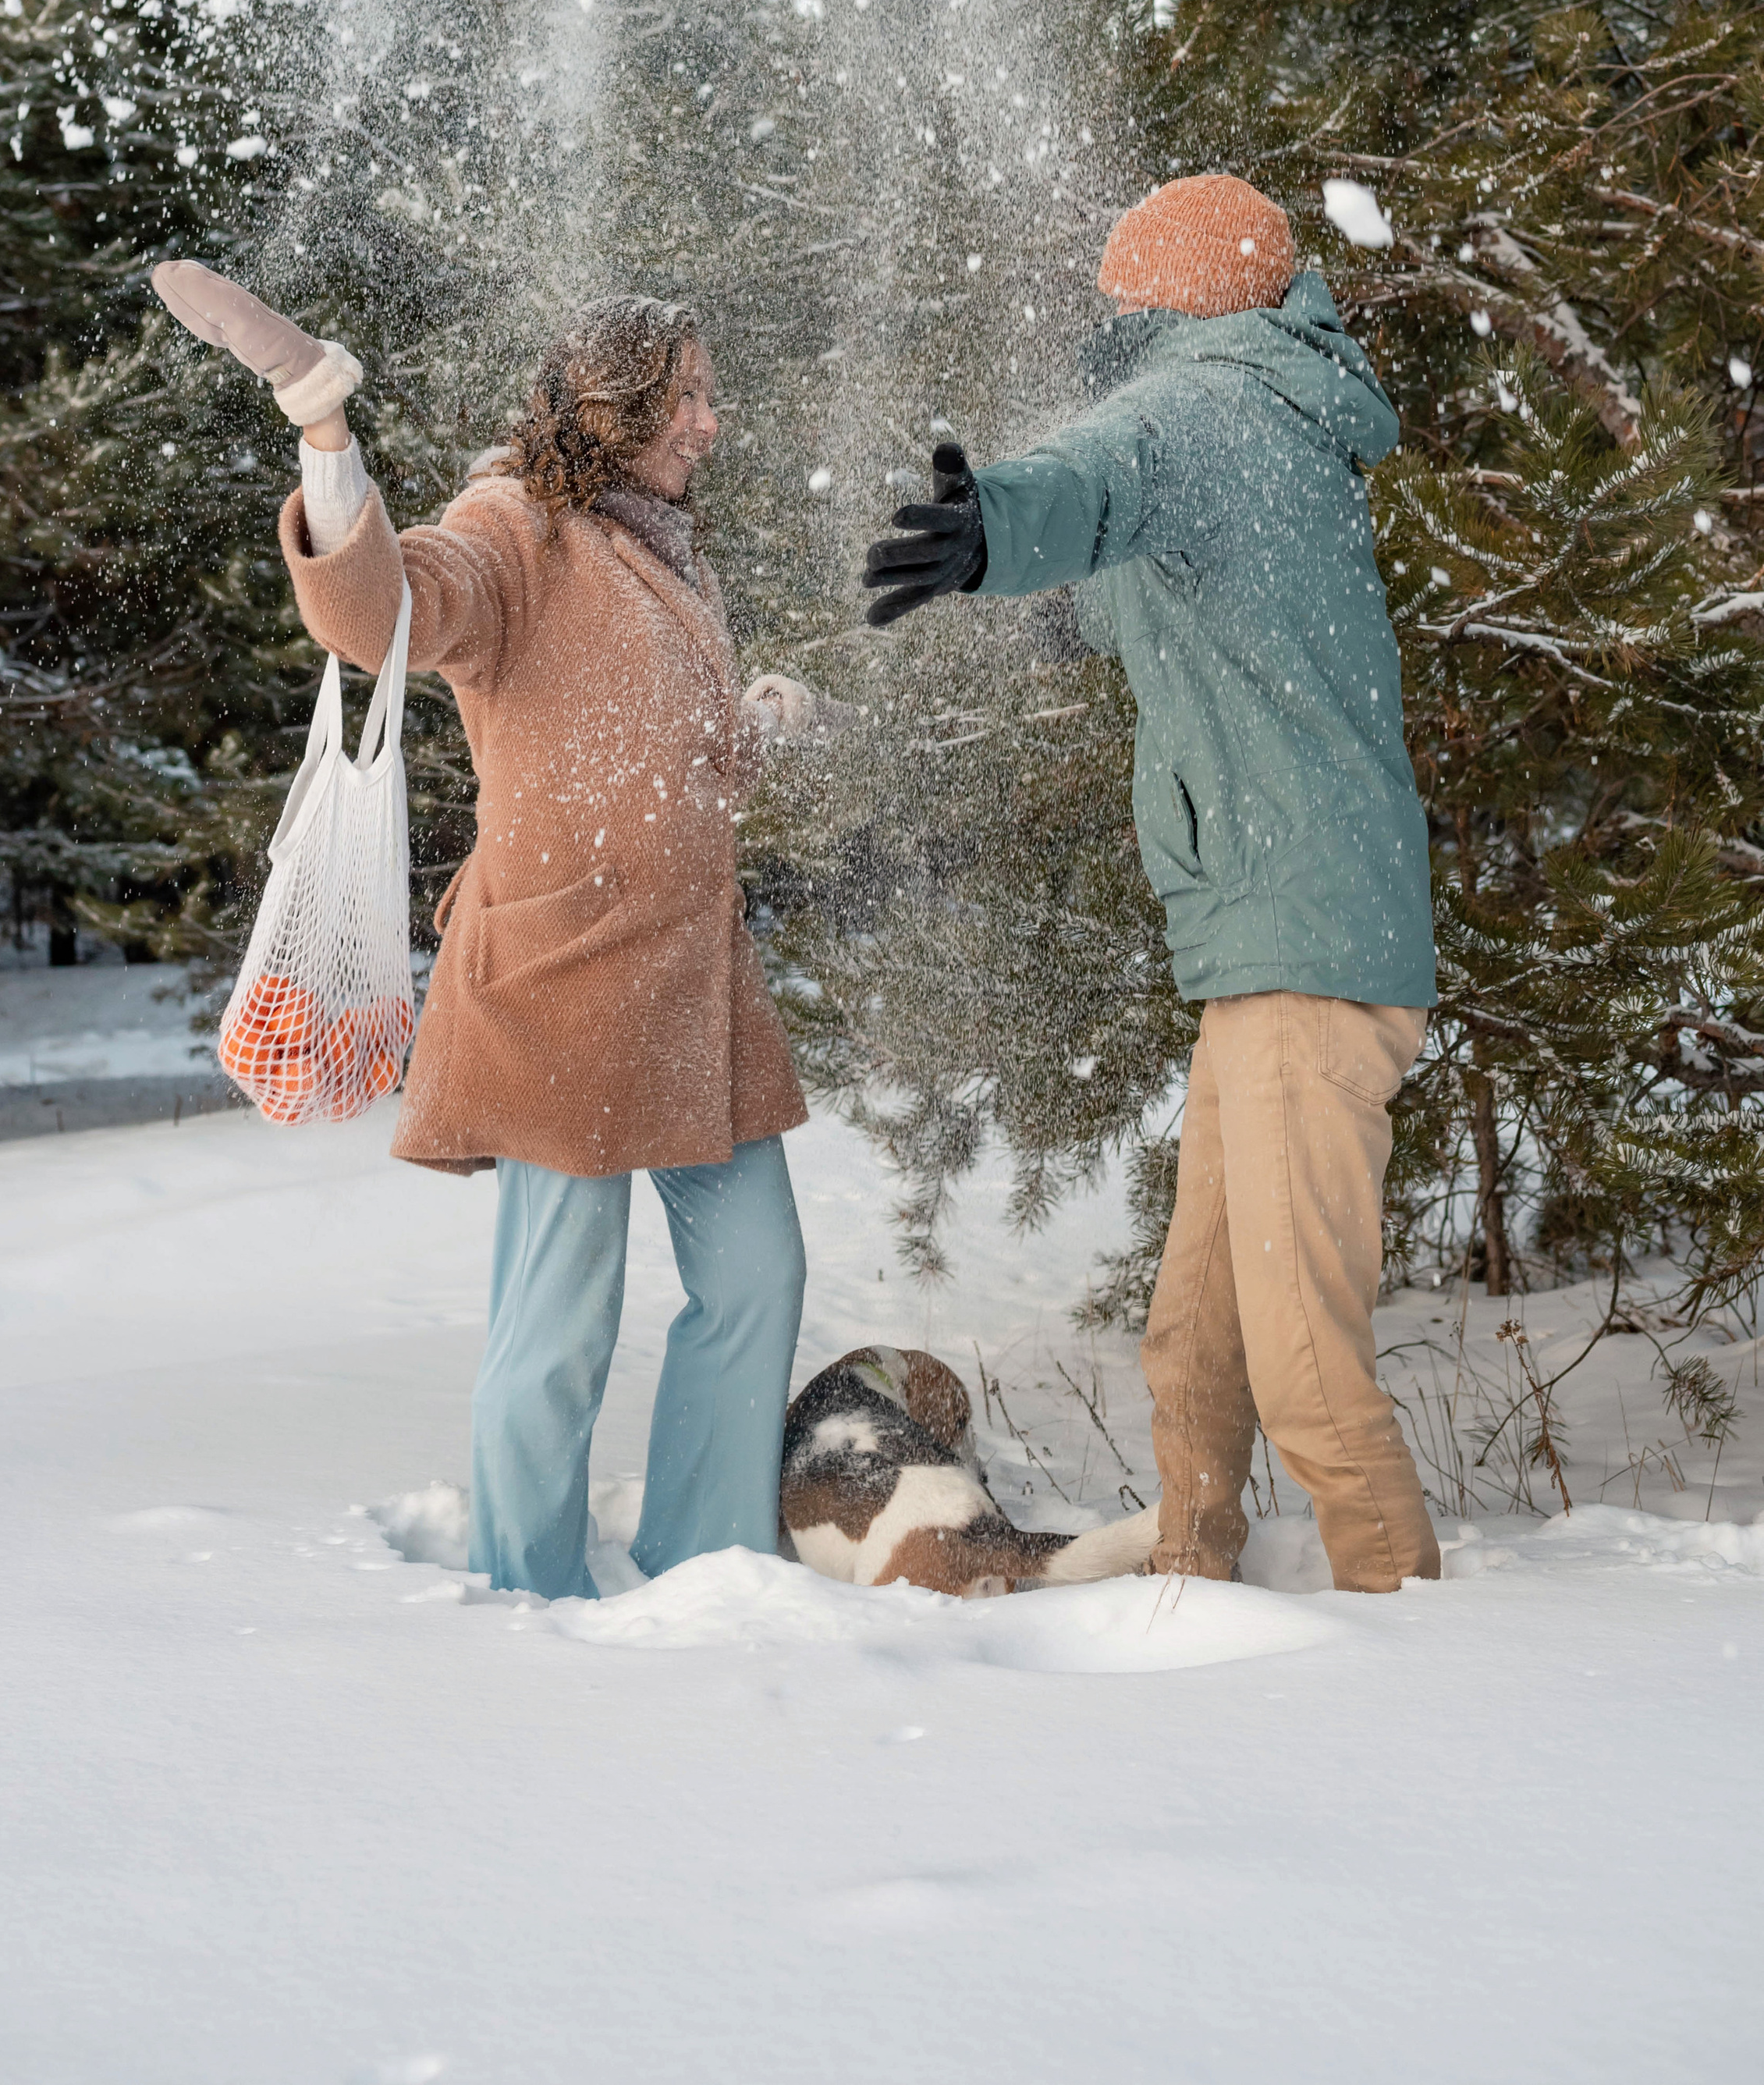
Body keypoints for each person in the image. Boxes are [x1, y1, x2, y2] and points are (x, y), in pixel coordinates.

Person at [152, 264, 820, 1600]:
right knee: (559, 1327)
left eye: (708, 395)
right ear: (617, 407)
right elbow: (379, 612)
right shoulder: (511, 527)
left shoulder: (662, 545)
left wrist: (760, 722)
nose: (712, 421)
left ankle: (709, 1562)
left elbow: (661, 753)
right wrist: (322, 424)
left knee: (758, 1278)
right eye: (688, 397)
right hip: (564, 983)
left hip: (700, 987)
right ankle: (525, 1594)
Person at [860, 174, 1441, 1593]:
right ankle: (1191, 1586)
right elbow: (1148, 548)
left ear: (1174, 298)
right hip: (1278, 934)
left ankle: (1416, 1643)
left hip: (1302, 939)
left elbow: (1100, 479)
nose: (1107, 317)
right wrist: (1053, 581)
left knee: (1301, 1360)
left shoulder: (1211, 404)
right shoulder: (1263, 416)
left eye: (1126, 295)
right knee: (1199, 1334)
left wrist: (996, 525)